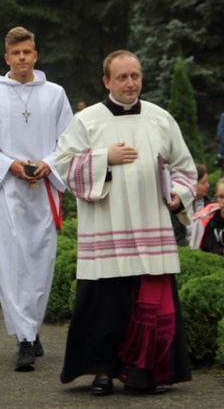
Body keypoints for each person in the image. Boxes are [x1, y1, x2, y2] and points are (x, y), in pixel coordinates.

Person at [56, 50, 194, 396]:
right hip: (106, 226)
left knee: (145, 300)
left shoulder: (160, 118)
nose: (130, 83)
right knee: (105, 304)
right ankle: (102, 371)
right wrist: (105, 158)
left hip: (151, 225)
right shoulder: (87, 120)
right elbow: (63, 167)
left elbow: (185, 167)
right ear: (106, 82)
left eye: (135, 76)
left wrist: (178, 195)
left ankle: (144, 371)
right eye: (122, 77)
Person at [0, 26, 73, 372]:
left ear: (35, 55)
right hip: (8, 191)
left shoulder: (55, 94)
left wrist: (48, 163)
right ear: (7, 57)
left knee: (41, 260)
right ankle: (24, 340)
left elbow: (69, 142)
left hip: (43, 189)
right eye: (16, 53)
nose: (23, 58)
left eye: (28, 52)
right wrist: (8, 164)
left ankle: (33, 326)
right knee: (12, 262)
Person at [173, 164, 210, 246]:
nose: (208, 185)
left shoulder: (209, 206)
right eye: (203, 182)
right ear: (192, 184)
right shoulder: (176, 207)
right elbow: (177, 238)